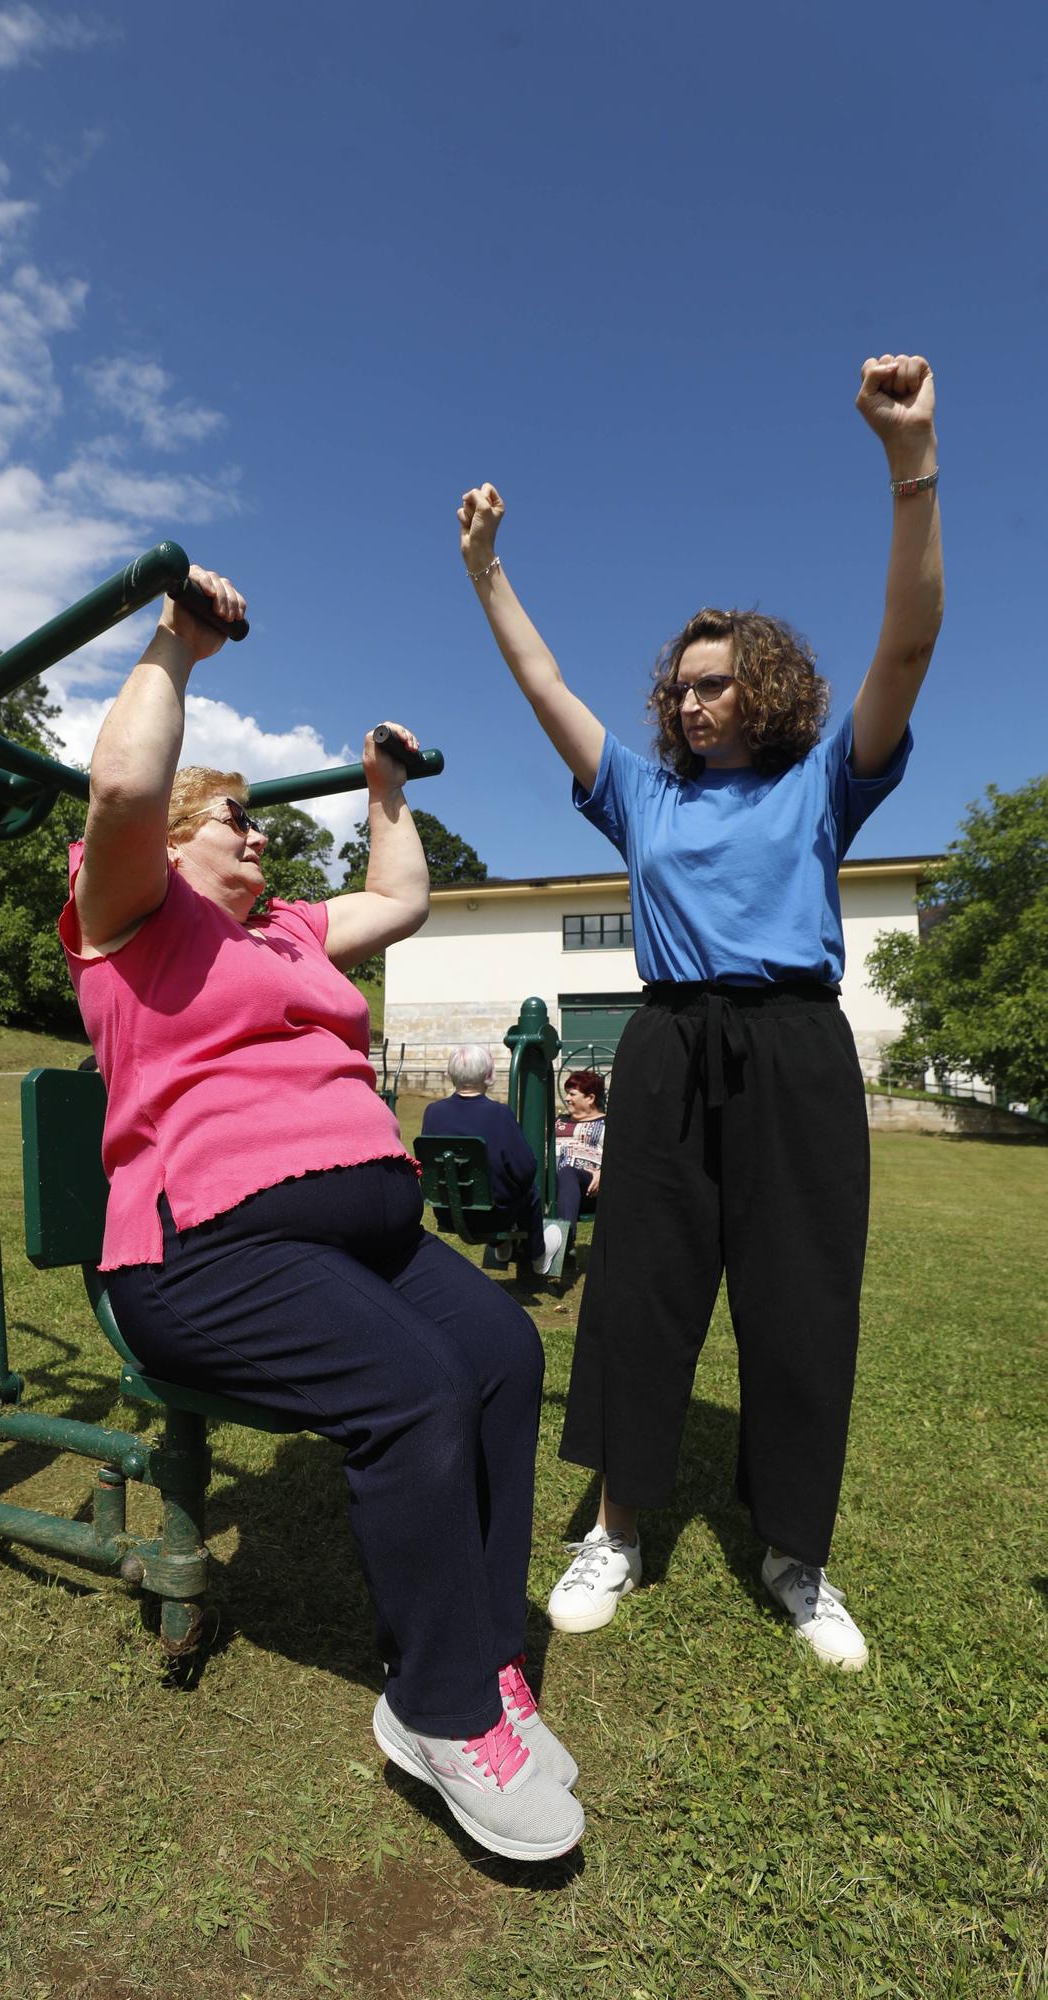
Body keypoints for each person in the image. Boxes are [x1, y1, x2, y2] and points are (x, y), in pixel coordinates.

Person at [58, 570, 584, 1862]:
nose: (257, 837)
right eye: (233, 818)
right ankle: (440, 1710)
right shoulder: (126, 916)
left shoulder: (288, 932)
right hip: (209, 1247)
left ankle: (476, 1646)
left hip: (368, 1234)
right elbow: (121, 789)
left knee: (504, 1356)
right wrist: (176, 650)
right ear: (178, 837)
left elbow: (397, 901)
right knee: (410, 1389)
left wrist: (386, 800)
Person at [458, 355, 944, 1673]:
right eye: (678, 684)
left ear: (767, 690)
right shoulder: (640, 797)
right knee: (636, 1292)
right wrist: (489, 572)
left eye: (715, 681)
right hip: (665, 1045)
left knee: (800, 1301)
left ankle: (796, 1554)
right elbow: (547, 686)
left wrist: (913, 465)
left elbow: (906, 641)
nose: (688, 697)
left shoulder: (825, 788)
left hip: (792, 1046)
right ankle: (616, 1527)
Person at [421, 1044, 565, 1274]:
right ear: (489, 1076)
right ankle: (538, 1255)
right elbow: (525, 1169)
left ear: (450, 1075)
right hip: (493, 1216)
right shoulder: (499, 1113)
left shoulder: (433, 1111)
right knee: (530, 1194)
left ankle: (502, 1245)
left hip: (447, 1212)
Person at [553, 1070, 605, 1232]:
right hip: (552, 1181)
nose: (567, 1098)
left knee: (568, 1172)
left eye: (573, 1094)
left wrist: (604, 1172)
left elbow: (624, 1158)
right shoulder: (558, 1121)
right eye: (567, 1094)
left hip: (588, 1185)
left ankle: (566, 1241)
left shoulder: (607, 1124)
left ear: (590, 1098)